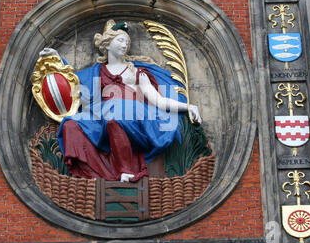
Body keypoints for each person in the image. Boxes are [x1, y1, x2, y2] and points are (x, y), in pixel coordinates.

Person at [39, 20, 201, 182]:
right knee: (70, 125)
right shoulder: (95, 72)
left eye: (127, 42)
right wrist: (56, 59)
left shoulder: (137, 72)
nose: (125, 45)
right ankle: (100, 175)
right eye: (120, 40)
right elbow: (71, 83)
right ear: (107, 44)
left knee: (115, 114)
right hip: (102, 118)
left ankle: (126, 171)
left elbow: (158, 100)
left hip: (134, 118)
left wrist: (187, 107)